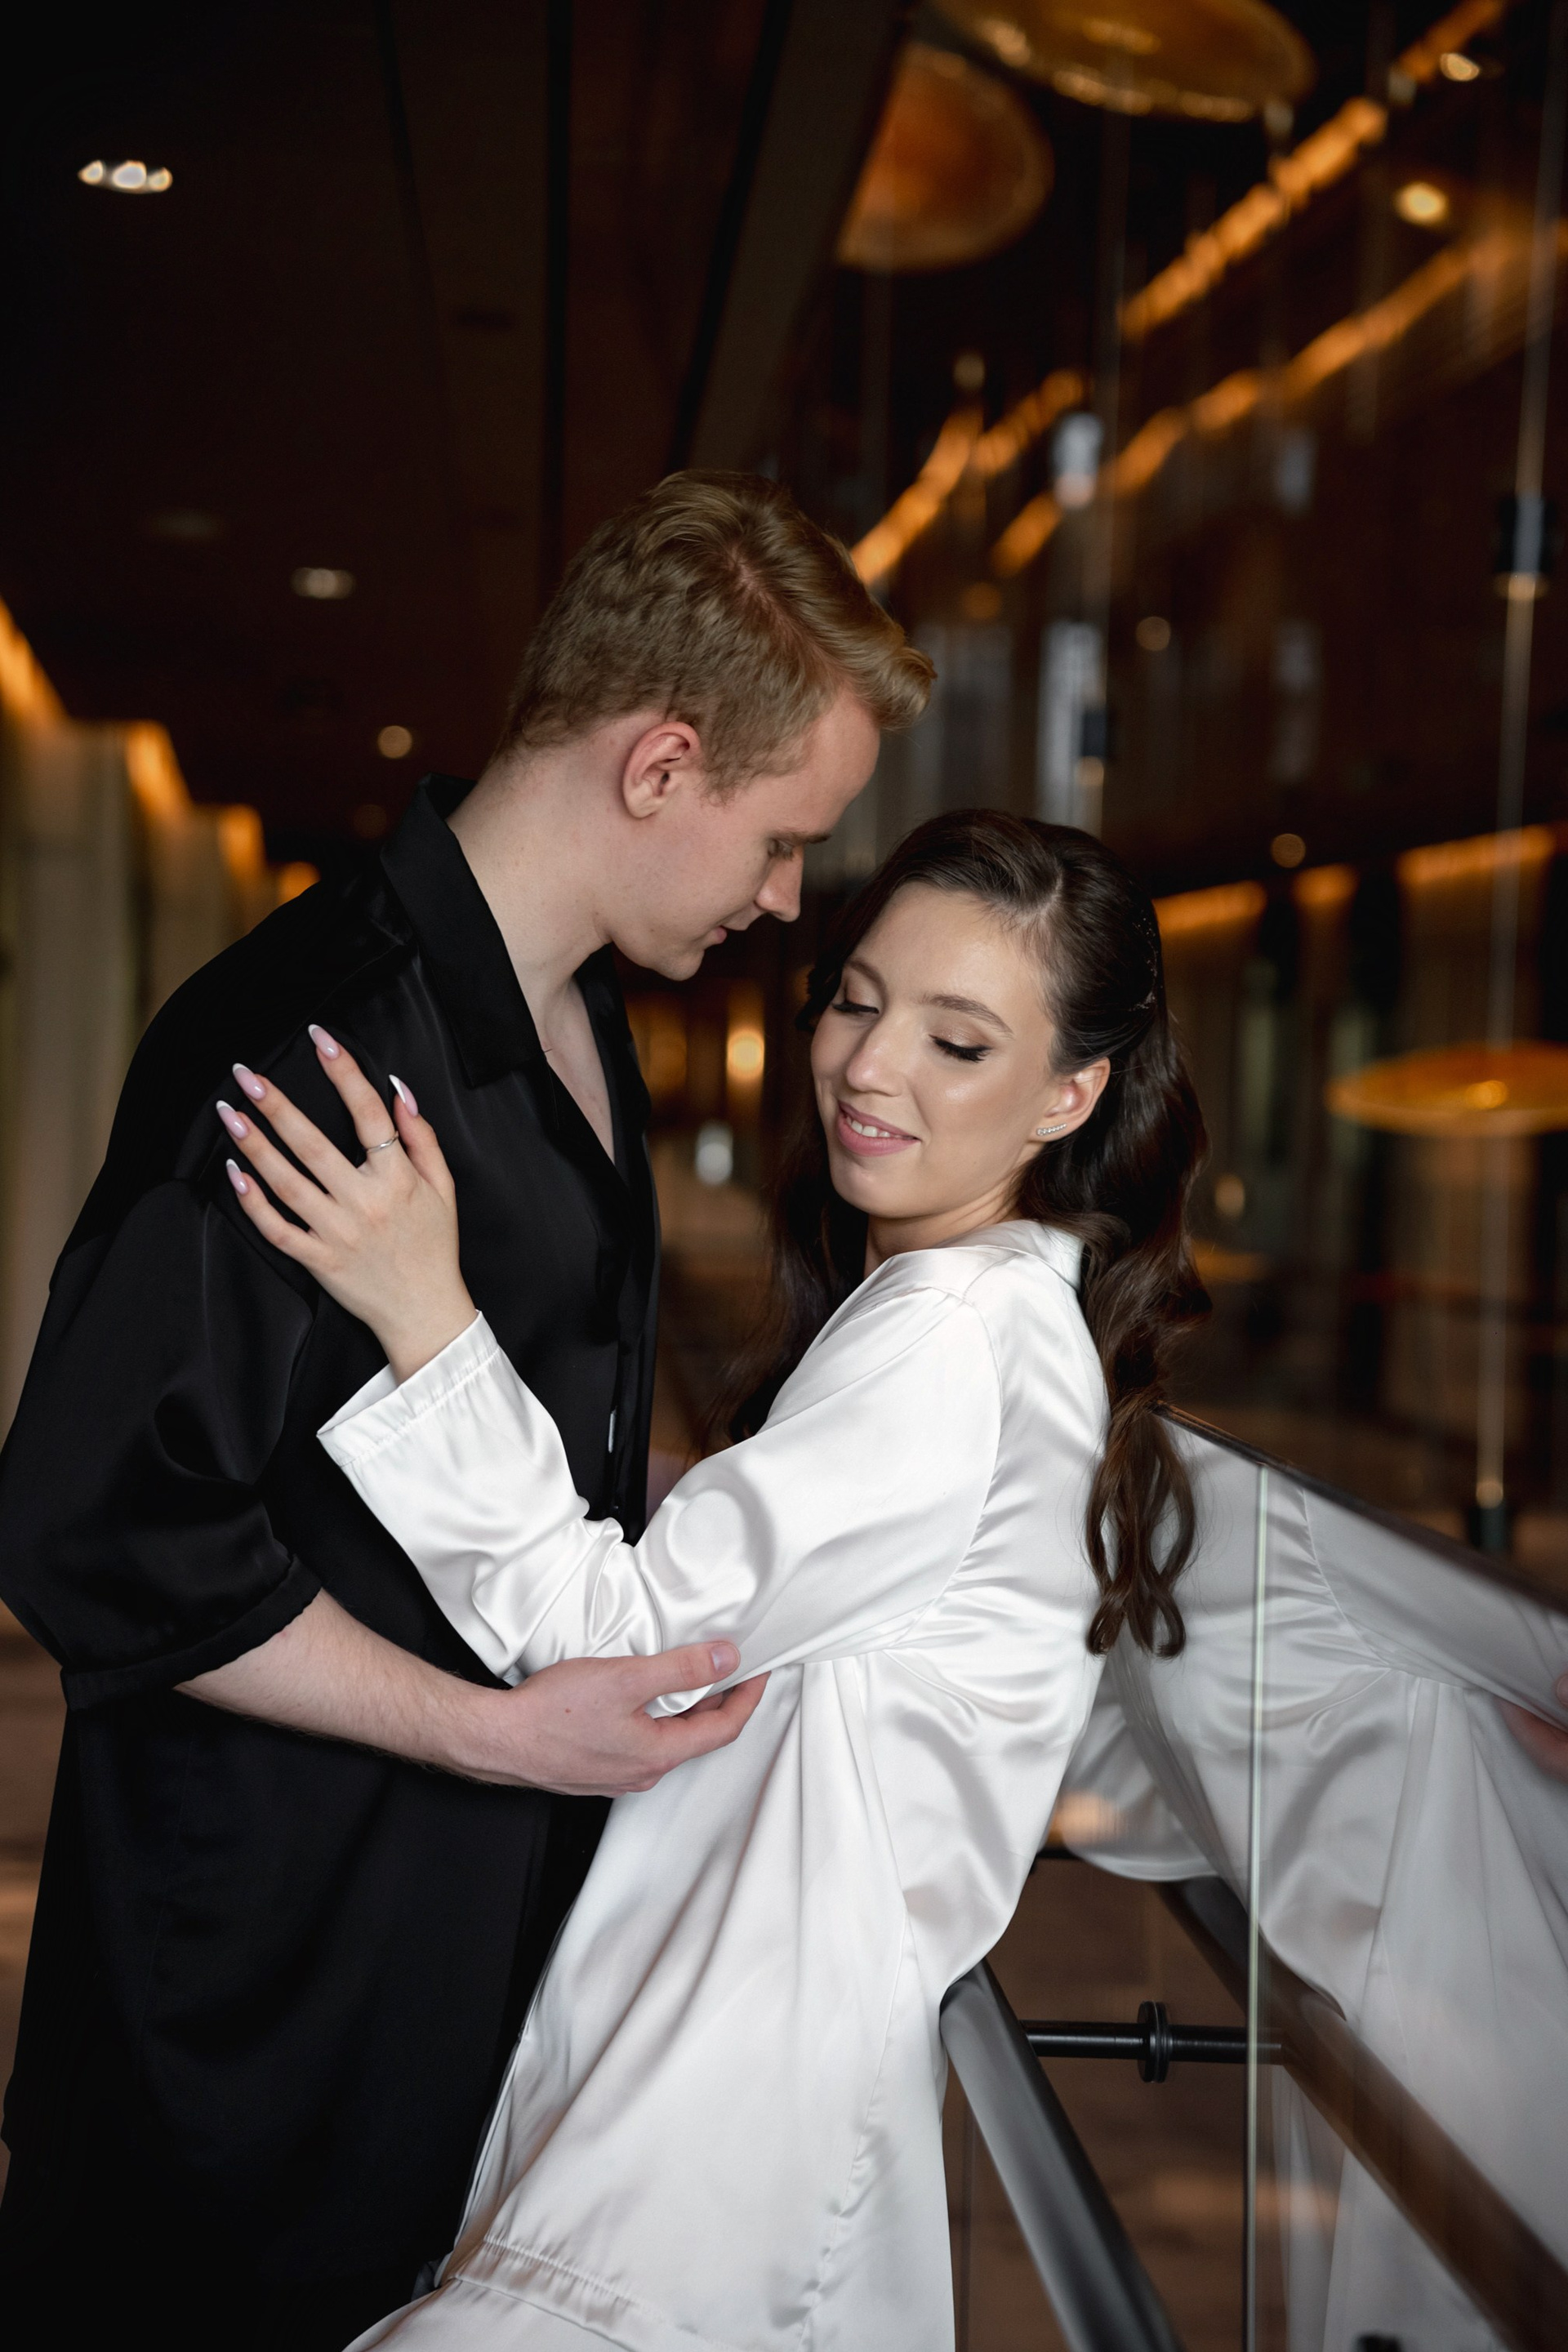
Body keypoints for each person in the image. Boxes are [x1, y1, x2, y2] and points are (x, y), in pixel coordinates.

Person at [0, 472, 931, 2351]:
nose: (784, 899)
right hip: (253, 2007)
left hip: (440, 1987)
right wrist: (496, 1739)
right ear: (660, 766)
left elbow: (475, 1424)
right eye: (782, 841)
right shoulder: (311, 1036)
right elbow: (91, 1526)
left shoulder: (583, 1018)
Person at [216, 809, 1209, 2350]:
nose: (868, 1068)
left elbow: (614, 1642)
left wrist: (425, 1309)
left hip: (719, 2110)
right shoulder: (976, 1311)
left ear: (1069, 1093)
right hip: (738, 2080)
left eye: (957, 1043)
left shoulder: (954, 1337)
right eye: (857, 1002)